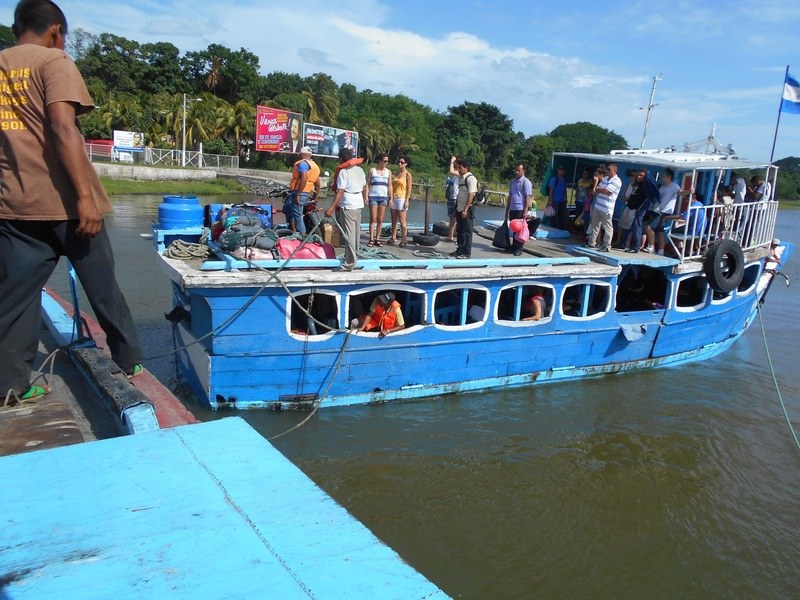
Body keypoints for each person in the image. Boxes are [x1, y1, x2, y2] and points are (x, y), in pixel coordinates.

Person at [0, 0, 143, 403]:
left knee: (15, 296)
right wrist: (85, 198)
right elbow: (64, 128)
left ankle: (10, 385)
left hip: (15, 204)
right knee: (103, 286)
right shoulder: (53, 62)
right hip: (65, 202)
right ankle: (129, 359)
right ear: (56, 32)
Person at [325, 147, 366, 271]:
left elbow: (340, 192)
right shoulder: (360, 170)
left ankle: (349, 263)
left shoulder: (344, 172)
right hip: (358, 204)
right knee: (356, 234)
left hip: (348, 205)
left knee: (349, 235)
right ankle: (354, 257)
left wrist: (331, 208)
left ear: (341, 159)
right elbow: (364, 186)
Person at [644, 167, 682, 255]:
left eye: (663, 176)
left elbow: (681, 192)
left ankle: (651, 247)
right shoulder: (663, 187)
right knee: (659, 230)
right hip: (658, 210)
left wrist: (689, 191)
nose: (662, 177)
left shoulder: (674, 186)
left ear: (668, 177)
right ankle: (661, 251)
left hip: (664, 211)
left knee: (648, 227)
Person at [586, 163, 621, 252]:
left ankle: (606, 246)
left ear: (614, 171)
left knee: (607, 227)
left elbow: (606, 190)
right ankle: (592, 243)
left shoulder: (617, 181)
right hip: (598, 205)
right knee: (595, 225)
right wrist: (602, 190)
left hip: (607, 208)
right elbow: (596, 190)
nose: (607, 171)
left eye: (609, 169)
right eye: (607, 169)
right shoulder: (605, 179)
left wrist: (603, 190)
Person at [287, 146, 320, 234]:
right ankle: (296, 232)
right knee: (297, 213)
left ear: (302, 154)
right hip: (307, 193)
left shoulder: (302, 164)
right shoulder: (315, 166)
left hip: (299, 193)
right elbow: (318, 184)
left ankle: (302, 236)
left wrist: (298, 194)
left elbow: (304, 179)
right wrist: (314, 198)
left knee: (298, 215)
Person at [505, 163, 533, 256]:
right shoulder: (513, 182)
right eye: (516, 170)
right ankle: (513, 246)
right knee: (514, 228)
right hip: (513, 208)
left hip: (520, 209)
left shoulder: (526, 182)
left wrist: (526, 211)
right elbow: (510, 196)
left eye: (519, 170)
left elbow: (528, 197)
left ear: (523, 171)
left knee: (520, 229)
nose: (517, 172)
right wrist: (507, 209)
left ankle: (519, 248)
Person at [452, 157, 477, 259]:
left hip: (467, 209)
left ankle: (466, 253)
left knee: (467, 231)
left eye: (460, 168)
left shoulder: (471, 179)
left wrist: (466, 209)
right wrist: (457, 208)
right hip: (459, 207)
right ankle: (460, 249)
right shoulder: (461, 178)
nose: (459, 170)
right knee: (460, 230)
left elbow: (471, 195)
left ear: (466, 167)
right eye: (458, 168)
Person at [366, 153, 392, 246]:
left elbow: (390, 185)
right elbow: (368, 184)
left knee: (380, 219)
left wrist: (391, 198)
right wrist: (366, 195)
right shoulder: (372, 170)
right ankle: (371, 239)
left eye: (387, 161)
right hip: (373, 196)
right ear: (380, 161)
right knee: (373, 218)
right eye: (385, 161)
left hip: (383, 197)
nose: (386, 163)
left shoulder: (388, 172)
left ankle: (377, 238)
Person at [388, 156, 412, 246]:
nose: (399, 164)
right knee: (393, 219)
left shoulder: (407, 174)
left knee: (402, 220)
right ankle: (393, 237)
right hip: (394, 197)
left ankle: (403, 239)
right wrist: (390, 198)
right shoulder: (396, 173)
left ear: (406, 164)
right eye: (399, 162)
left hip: (402, 198)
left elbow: (409, 188)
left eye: (402, 162)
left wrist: (407, 200)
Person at [548, 165, 569, 230]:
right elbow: (551, 190)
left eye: (562, 170)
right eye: (559, 170)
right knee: (554, 214)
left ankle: (561, 227)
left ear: (564, 171)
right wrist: (551, 200)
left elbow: (565, 189)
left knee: (562, 214)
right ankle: (553, 227)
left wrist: (566, 198)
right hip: (555, 200)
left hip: (562, 200)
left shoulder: (564, 179)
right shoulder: (555, 179)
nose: (560, 171)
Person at [445, 156, 460, 242]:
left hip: (455, 199)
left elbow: (451, 171)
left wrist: (452, 161)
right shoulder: (454, 177)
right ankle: (450, 236)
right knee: (451, 218)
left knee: (454, 218)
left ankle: (452, 236)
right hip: (450, 198)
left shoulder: (458, 174)